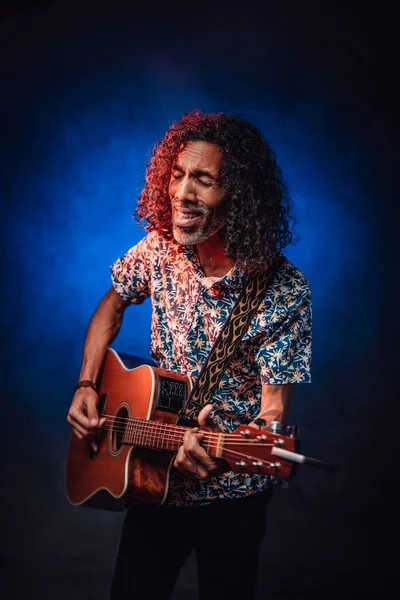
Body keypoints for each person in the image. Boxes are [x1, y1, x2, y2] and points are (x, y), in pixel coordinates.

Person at [67, 109, 312, 600]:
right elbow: (110, 309)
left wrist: (226, 453)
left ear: (239, 196)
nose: (181, 193)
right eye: (177, 175)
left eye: (203, 179)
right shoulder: (157, 250)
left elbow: (274, 412)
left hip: (232, 499)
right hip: (149, 475)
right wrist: (88, 384)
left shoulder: (284, 290)